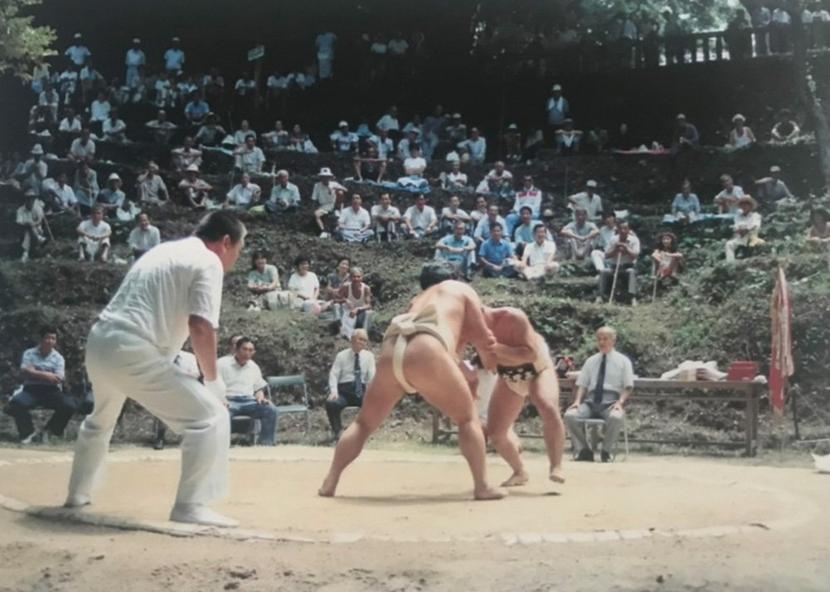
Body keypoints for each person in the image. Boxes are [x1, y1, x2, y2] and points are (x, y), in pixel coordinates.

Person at [65, 212, 245, 527]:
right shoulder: (209, 261)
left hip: (101, 341)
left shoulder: (164, 250)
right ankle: (190, 505)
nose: (236, 258)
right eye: (239, 250)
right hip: (133, 349)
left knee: (100, 420)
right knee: (210, 417)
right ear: (226, 242)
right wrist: (213, 380)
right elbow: (201, 326)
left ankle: (77, 494)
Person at [318, 275, 505, 501]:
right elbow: (484, 340)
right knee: (467, 419)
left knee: (363, 423)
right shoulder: (462, 290)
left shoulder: (418, 299)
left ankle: (330, 481)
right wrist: (491, 363)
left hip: (394, 345)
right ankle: (482, 486)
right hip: (427, 348)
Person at [475, 307, 565, 485]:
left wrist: (498, 349)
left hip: (538, 369)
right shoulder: (470, 329)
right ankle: (519, 471)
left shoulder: (512, 317)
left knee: (547, 405)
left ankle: (556, 465)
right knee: (496, 433)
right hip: (508, 377)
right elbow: (488, 364)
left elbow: (530, 354)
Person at [564, 327, 633, 462]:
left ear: (613, 341)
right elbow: (582, 384)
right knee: (570, 415)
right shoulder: (591, 361)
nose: (601, 342)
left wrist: (620, 402)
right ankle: (584, 450)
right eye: (599, 339)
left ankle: (606, 451)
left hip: (611, 401)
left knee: (616, 417)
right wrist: (577, 401)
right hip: (591, 401)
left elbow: (628, 386)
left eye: (605, 339)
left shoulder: (623, 361)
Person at [3, 328, 75, 444]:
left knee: (69, 405)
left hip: (51, 391)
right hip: (31, 390)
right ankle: (27, 433)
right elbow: (24, 371)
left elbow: (58, 378)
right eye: (47, 338)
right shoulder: (29, 353)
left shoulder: (58, 358)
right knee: (17, 403)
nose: (50, 341)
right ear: (41, 339)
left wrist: (34, 372)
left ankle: (49, 431)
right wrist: (47, 374)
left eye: (53, 338)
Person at [219, 337, 278, 446]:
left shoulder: (253, 366)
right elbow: (213, 386)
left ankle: (266, 444)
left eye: (250, 350)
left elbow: (258, 388)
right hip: (229, 401)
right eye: (244, 349)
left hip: (249, 401)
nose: (247, 353)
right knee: (222, 413)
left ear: (254, 352)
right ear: (236, 349)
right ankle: (222, 446)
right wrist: (221, 399)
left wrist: (260, 397)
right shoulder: (221, 364)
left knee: (270, 409)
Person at [326, 330, 375, 441]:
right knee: (331, 403)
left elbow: (372, 377)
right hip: (344, 392)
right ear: (352, 339)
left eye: (365, 340)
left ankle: (363, 432)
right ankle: (337, 432)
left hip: (361, 391)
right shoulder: (341, 356)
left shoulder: (369, 356)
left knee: (374, 404)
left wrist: (371, 392)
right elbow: (333, 374)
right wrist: (334, 392)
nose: (363, 343)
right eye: (360, 339)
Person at [598, 220, 640, 304]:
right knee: (604, 272)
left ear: (629, 229)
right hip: (614, 267)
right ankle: (600, 296)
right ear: (618, 229)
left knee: (631, 272)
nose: (623, 231)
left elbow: (635, 255)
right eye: (621, 228)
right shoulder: (613, 239)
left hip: (627, 266)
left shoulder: (634, 240)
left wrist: (626, 248)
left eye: (625, 228)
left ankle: (632, 297)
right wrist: (615, 249)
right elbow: (606, 255)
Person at [725, 196, 764, 263]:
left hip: (752, 237)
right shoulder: (738, 217)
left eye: (746, 204)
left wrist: (745, 229)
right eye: (742, 205)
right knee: (729, 244)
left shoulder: (755, 215)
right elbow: (736, 227)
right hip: (740, 237)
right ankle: (730, 263)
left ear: (750, 206)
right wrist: (739, 230)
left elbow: (755, 226)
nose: (744, 206)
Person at [338, 267, 373, 339]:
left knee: (360, 321)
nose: (356, 279)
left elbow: (368, 305)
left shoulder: (366, 288)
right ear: (350, 277)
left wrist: (358, 309)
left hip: (360, 310)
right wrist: (346, 300)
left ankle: (359, 335)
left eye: (358, 277)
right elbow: (338, 298)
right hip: (348, 309)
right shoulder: (346, 287)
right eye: (354, 277)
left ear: (362, 277)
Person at [311, 167, 346, 237]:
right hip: (323, 206)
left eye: (327, 177)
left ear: (330, 177)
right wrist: (314, 209)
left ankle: (338, 211)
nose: (325, 179)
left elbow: (346, 190)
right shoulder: (317, 185)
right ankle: (323, 230)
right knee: (316, 214)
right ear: (321, 178)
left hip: (334, 204)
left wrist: (335, 188)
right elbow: (314, 198)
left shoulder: (334, 184)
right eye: (323, 177)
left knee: (340, 192)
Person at [16, 191, 47, 263]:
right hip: (23, 230)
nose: (30, 201)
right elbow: (19, 222)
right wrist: (27, 224)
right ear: (25, 200)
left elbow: (40, 220)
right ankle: (39, 239)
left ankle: (25, 253)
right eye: (28, 199)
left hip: (38, 229)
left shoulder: (38, 208)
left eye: (32, 199)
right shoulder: (20, 210)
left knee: (29, 229)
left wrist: (32, 224)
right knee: (28, 231)